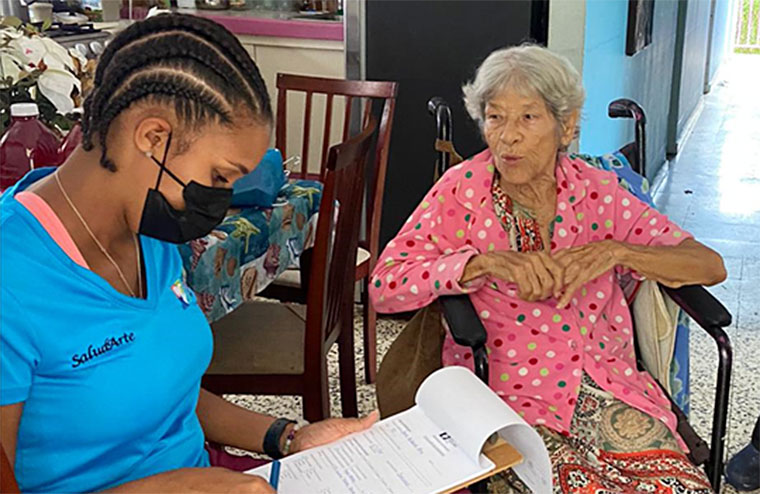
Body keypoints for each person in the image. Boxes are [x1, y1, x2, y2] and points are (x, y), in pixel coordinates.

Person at [0, 14, 375, 493]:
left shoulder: (149, 230)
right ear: (153, 137)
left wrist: (288, 437)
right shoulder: (13, 278)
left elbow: (165, 393)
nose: (220, 203)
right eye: (219, 177)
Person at [370, 44, 726, 493]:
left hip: (607, 384)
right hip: (500, 396)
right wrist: (476, 264)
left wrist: (618, 252)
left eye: (528, 118)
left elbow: (708, 265)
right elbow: (384, 285)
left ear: (567, 126)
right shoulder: (460, 193)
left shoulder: (600, 193)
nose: (507, 137)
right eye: (495, 117)